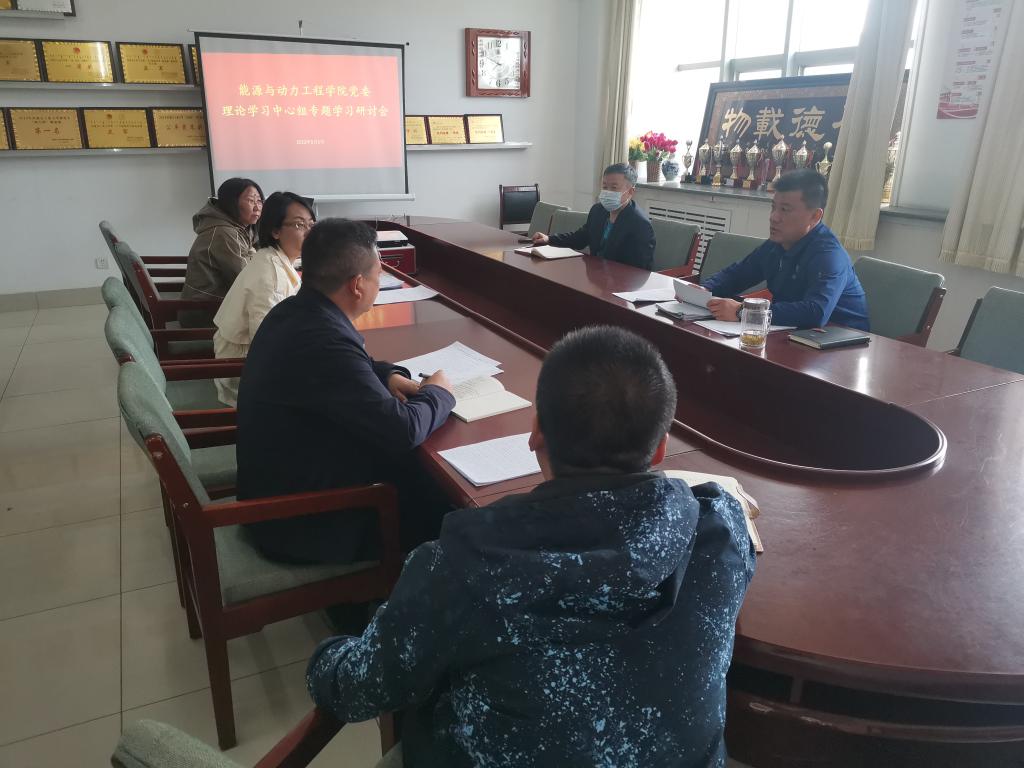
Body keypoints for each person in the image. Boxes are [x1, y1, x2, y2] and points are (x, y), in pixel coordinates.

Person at [307, 325, 756, 767]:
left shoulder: (462, 567)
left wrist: (324, 659)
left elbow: (359, 689)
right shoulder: (719, 530)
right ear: (660, 450)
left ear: (536, 430)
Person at [236, 218, 455, 564]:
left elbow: (351, 366)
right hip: (301, 523)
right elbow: (403, 430)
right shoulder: (324, 339)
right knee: (445, 508)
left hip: (282, 486)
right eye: (378, 275)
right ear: (357, 285)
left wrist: (387, 375)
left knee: (419, 476)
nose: (380, 281)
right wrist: (438, 394)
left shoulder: (296, 311)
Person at [701, 169, 870, 330]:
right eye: (773, 207)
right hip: (791, 333)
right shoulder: (776, 244)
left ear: (815, 216)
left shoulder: (830, 255)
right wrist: (704, 291)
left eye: (785, 210)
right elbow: (738, 274)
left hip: (840, 341)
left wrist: (743, 311)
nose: (773, 217)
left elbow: (816, 312)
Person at [211, 191, 313, 407]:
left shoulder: (272, 257)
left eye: (311, 224)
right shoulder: (271, 276)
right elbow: (266, 343)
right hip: (244, 373)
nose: (309, 232)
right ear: (275, 231)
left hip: (251, 359)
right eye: (299, 225)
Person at [533, 163, 656, 271]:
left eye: (614, 188)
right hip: (596, 277)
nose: (607, 192)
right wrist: (549, 239)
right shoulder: (598, 210)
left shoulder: (640, 224)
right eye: (604, 187)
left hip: (620, 283)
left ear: (630, 192)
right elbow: (581, 238)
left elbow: (640, 269)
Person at [181, 178, 264, 325]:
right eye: (251, 201)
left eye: (259, 201)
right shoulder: (223, 233)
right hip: (207, 312)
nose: (257, 207)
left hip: (221, 304)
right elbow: (247, 278)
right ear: (231, 203)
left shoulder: (241, 227)